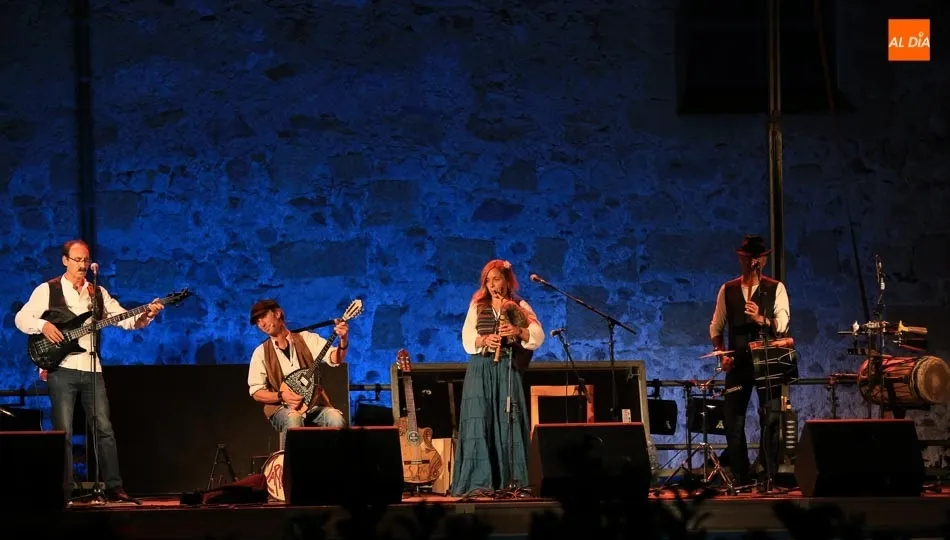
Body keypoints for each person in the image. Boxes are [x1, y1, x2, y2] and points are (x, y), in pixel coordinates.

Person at [14, 239, 164, 503]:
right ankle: (65, 489)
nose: (82, 265)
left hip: (92, 368)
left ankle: (114, 486)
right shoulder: (47, 289)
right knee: (64, 432)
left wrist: (147, 313)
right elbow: (21, 319)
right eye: (77, 260)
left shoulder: (97, 292)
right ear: (65, 261)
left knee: (104, 428)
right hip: (62, 369)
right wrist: (42, 325)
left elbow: (125, 319)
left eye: (86, 260)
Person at [451, 259, 545, 497]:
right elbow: (467, 337)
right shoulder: (477, 305)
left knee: (508, 420)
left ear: (506, 280)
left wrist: (517, 331)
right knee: (479, 421)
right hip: (481, 368)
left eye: (496, 279)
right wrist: (484, 340)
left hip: (506, 368)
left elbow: (537, 335)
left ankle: (512, 482)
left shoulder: (519, 305)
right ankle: (478, 483)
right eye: (488, 280)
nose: (492, 285)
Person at [709, 234, 790, 488]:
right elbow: (716, 326)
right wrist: (721, 352)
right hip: (738, 363)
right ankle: (742, 476)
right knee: (733, 421)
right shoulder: (728, 289)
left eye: (758, 257)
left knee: (771, 418)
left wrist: (761, 319)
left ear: (763, 260)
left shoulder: (775, 288)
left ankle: (767, 472)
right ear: (741, 258)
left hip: (767, 361)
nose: (753, 262)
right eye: (748, 257)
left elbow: (782, 325)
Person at [247, 299, 349, 450]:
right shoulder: (261, 352)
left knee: (336, 419)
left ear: (277, 313)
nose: (261, 324)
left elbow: (335, 358)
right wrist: (282, 396)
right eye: (257, 321)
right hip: (281, 409)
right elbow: (256, 391)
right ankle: (294, 470)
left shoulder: (306, 339)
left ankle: (333, 469)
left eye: (263, 317)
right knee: (294, 419)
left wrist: (343, 339)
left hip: (312, 405)